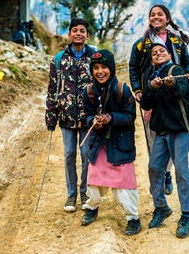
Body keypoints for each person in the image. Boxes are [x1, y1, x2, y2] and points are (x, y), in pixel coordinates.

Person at [129, 4, 189, 195]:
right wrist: (139, 89)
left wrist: (186, 76)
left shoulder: (176, 41)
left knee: (174, 131)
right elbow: (134, 67)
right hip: (153, 94)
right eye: (152, 15)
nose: (156, 17)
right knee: (153, 137)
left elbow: (187, 62)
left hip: (174, 95)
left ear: (167, 18)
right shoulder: (142, 44)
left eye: (160, 14)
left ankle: (167, 171)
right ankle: (162, 174)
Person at [81, 49, 141, 236]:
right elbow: (87, 115)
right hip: (99, 143)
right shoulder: (89, 91)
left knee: (124, 183)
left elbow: (130, 117)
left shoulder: (123, 89)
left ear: (111, 69)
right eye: (96, 68)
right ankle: (92, 207)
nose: (100, 71)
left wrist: (110, 118)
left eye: (104, 67)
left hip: (120, 142)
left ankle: (133, 218)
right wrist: (94, 121)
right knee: (94, 179)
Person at [140, 43, 189, 238]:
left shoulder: (177, 70)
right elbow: (145, 104)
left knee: (181, 171)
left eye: (162, 51)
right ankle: (161, 207)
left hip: (179, 129)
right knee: (155, 168)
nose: (158, 54)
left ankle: (187, 214)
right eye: (154, 53)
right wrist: (149, 88)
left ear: (169, 54)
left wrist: (171, 85)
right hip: (161, 130)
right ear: (152, 59)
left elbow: (183, 91)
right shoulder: (151, 76)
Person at [45, 18, 97, 213]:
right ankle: (71, 194)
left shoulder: (94, 58)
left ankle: (84, 191)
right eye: (74, 30)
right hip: (65, 117)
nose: (78, 33)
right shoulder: (59, 60)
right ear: (69, 34)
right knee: (69, 155)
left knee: (86, 155)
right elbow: (52, 90)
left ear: (87, 35)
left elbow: (101, 86)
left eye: (82, 31)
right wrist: (50, 116)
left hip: (87, 117)